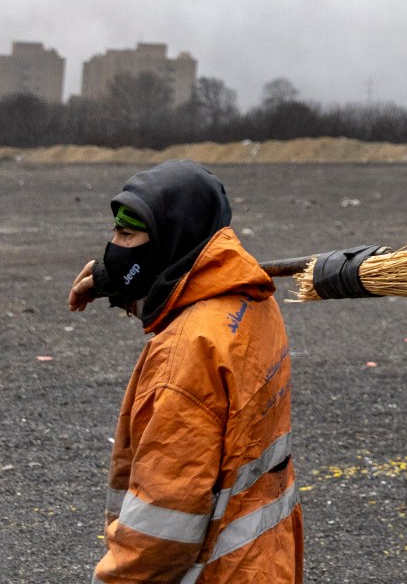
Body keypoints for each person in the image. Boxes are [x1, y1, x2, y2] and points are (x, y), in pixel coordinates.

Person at [67, 160, 303, 582]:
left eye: (127, 234)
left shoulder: (188, 353)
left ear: (170, 239)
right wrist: (115, 280)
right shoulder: (251, 300)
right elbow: (175, 290)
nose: (114, 245)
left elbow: (162, 530)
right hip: (265, 560)